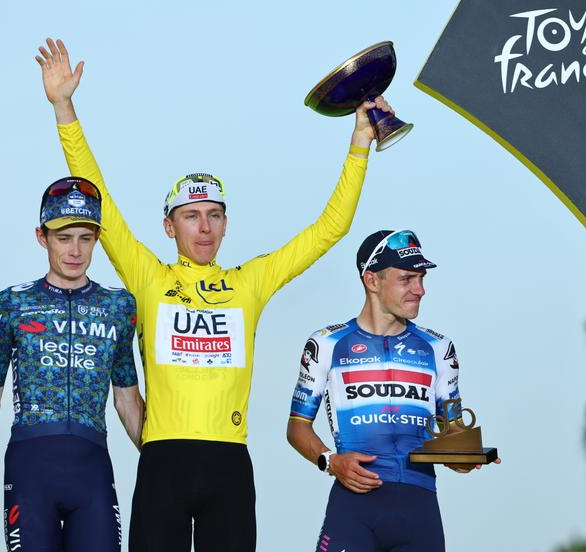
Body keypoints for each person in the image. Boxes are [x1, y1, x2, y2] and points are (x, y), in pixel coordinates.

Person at [35, 37, 391, 551]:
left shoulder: (249, 282)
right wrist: (64, 107)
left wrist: (359, 143)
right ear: (169, 226)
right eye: (191, 216)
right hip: (164, 461)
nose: (204, 228)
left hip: (229, 463)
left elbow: (329, 229)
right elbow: (99, 199)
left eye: (214, 215)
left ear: (225, 224)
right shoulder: (150, 277)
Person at [0, 177, 144, 552]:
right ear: (42, 237)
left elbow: (127, 399)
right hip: (31, 470)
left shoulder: (119, 307)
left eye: (85, 238)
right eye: (63, 237)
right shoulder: (11, 303)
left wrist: (162, 462)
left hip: (92, 471)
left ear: (96, 240)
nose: (75, 250)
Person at [287, 229, 498, 552]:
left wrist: (465, 456)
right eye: (407, 279)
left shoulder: (439, 348)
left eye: (422, 278)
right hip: (353, 508)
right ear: (372, 280)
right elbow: (297, 427)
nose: (420, 290)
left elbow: (453, 429)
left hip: (419, 508)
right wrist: (330, 461)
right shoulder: (327, 343)